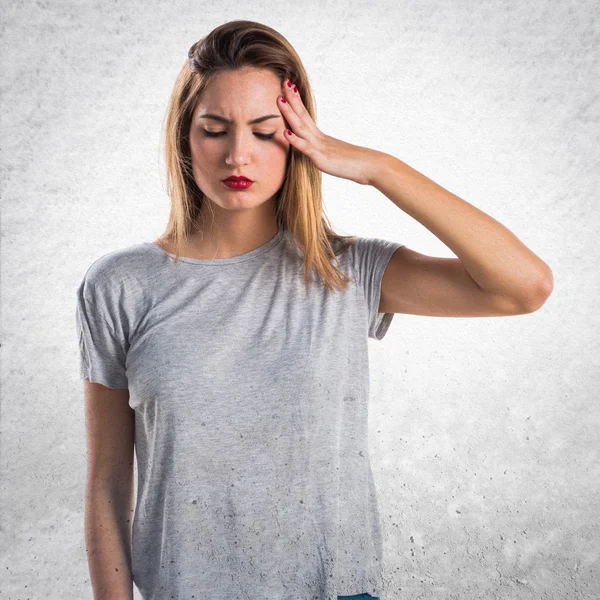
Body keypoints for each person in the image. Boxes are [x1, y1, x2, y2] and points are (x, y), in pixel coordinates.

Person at [76, 20, 553, 600]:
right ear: (184, 139)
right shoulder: (119, 286)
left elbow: (524, 287)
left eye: (264, 130)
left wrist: (376, 168)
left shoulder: (345, 272)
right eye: (214, 130)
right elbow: (106, 486)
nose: (237, 153)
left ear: (298, 136)